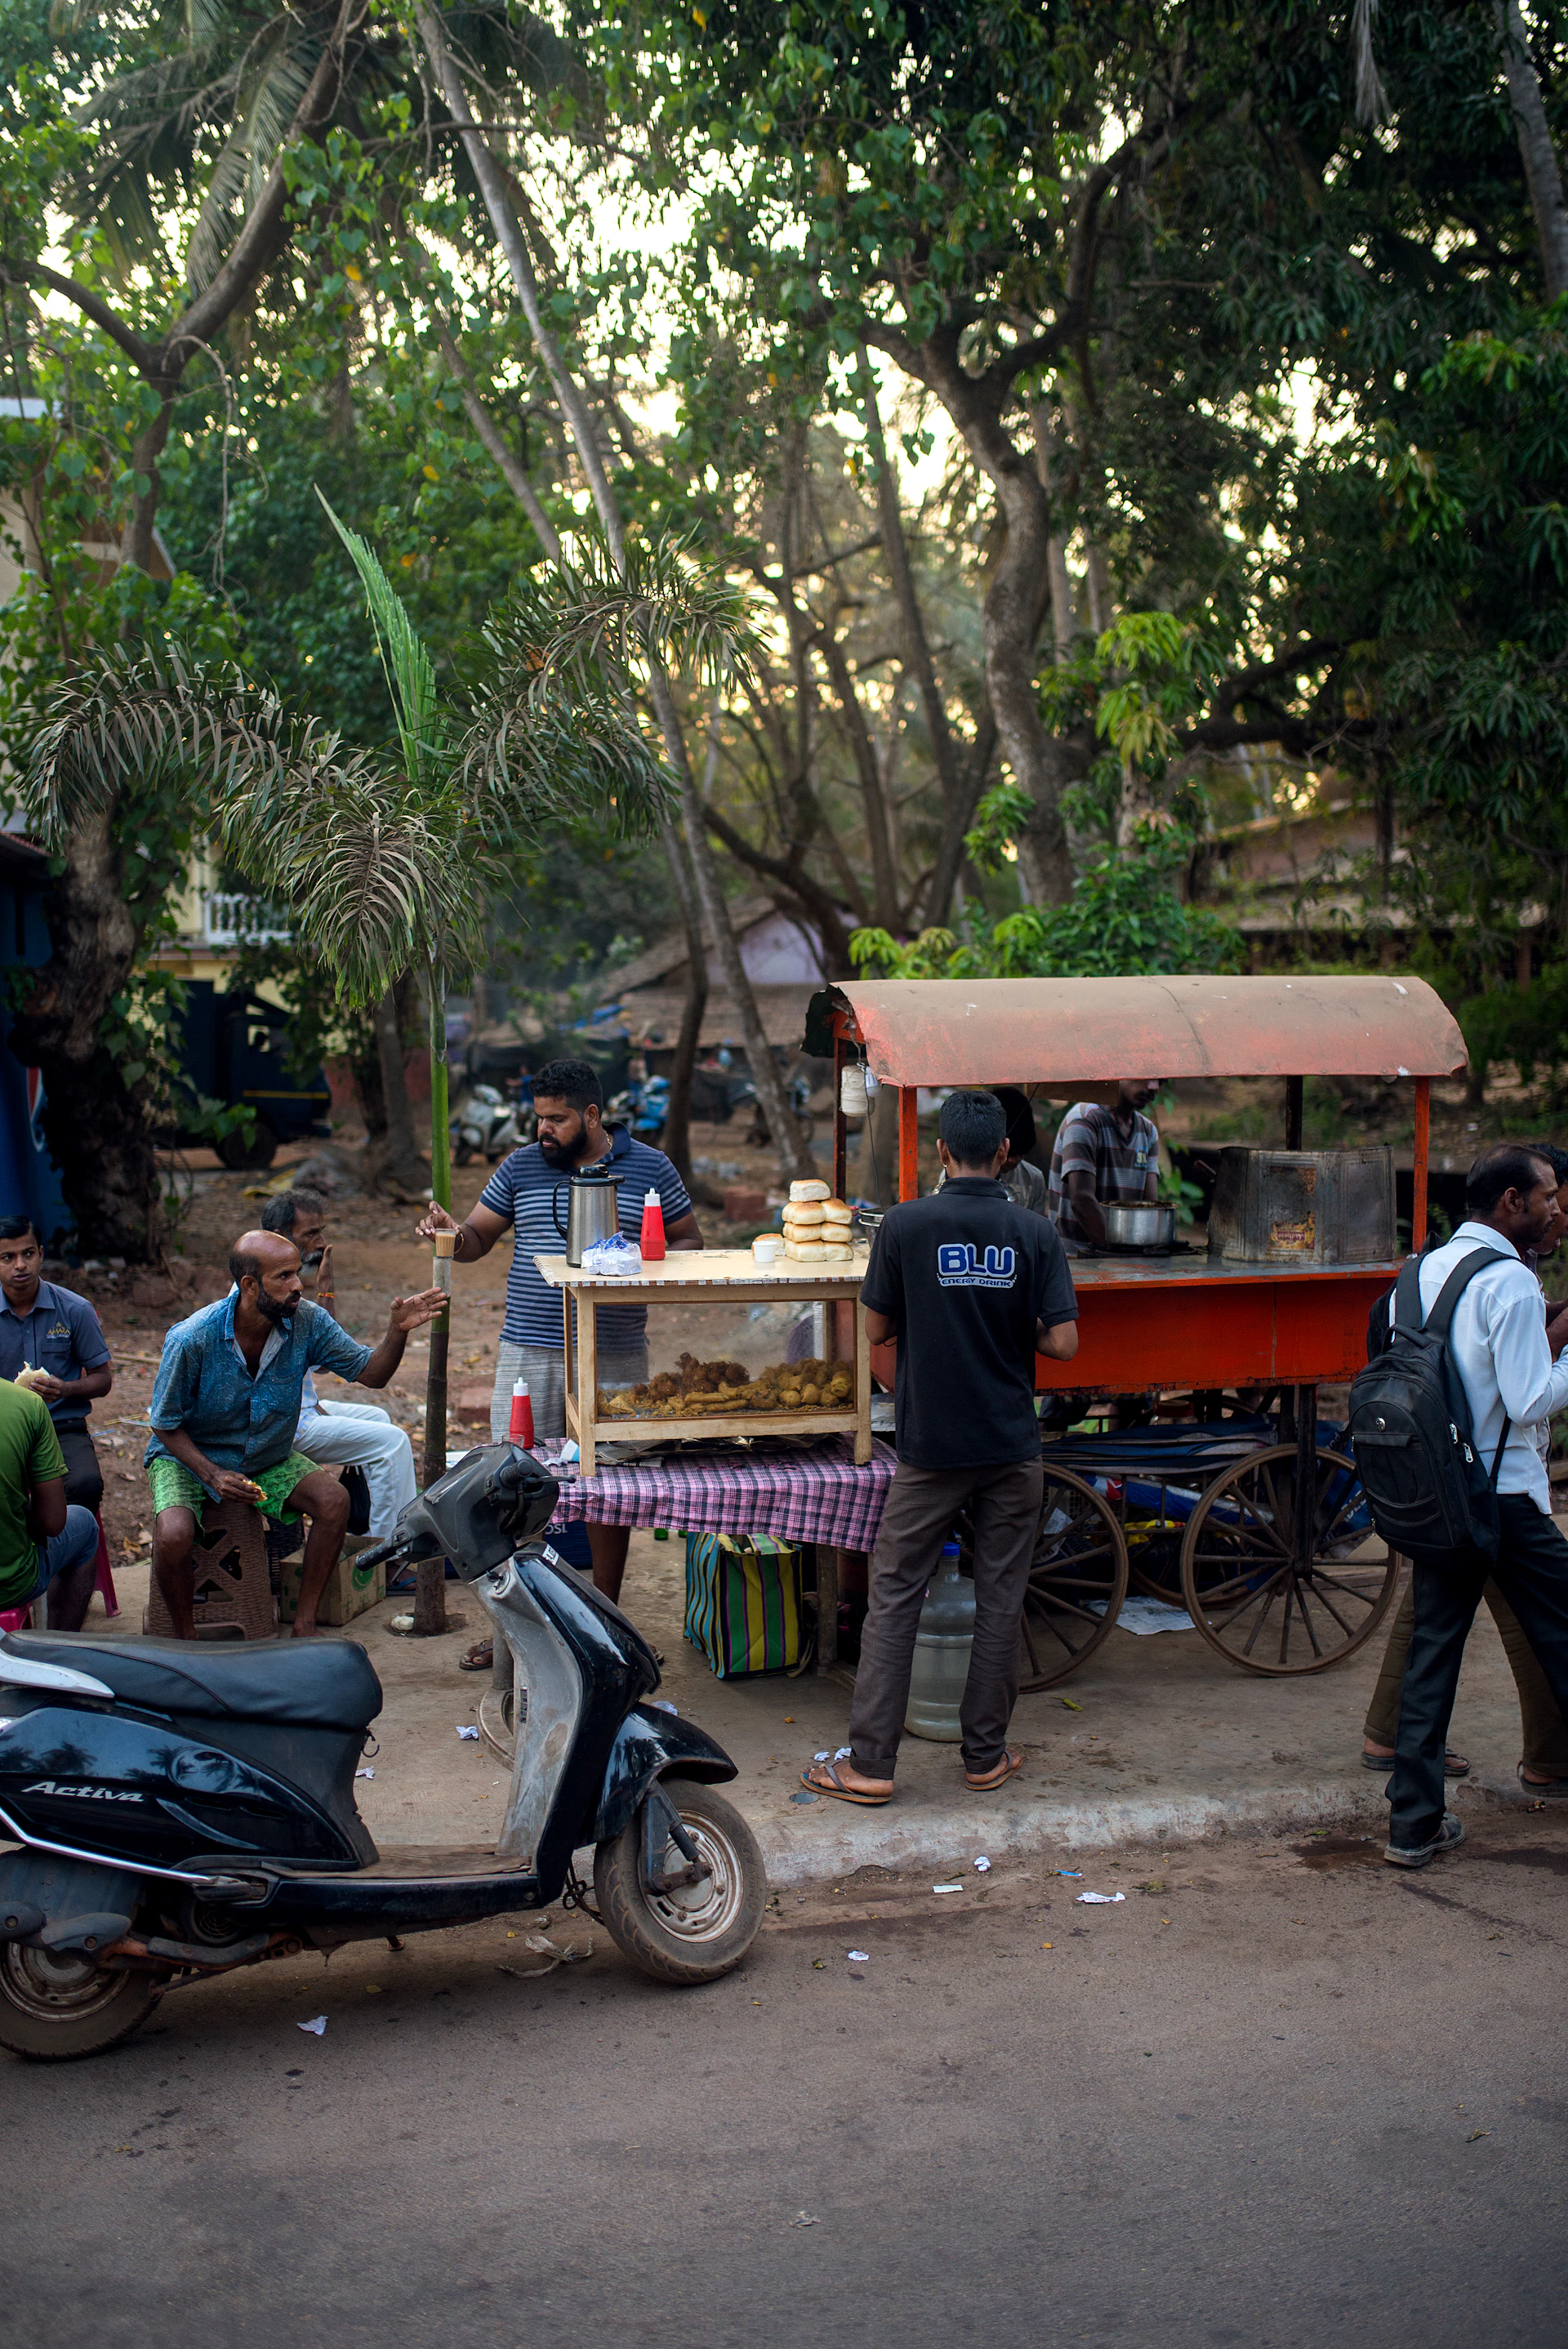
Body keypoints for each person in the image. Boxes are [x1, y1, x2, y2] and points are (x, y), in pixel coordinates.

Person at [802, 1089, 1080, 1806]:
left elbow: (871, 1332)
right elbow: (1065, 1343)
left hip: (930, 1449)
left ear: (942, 1153)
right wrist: (1010, 1315)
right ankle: (985, 1756)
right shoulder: (1034, 1233)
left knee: (894, 1596)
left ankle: (870, 1764)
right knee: (1001, 1597)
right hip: (1011, 1446)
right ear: (1007, 1155)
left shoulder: (906, 1225)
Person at [416, 1056, 702, 1616]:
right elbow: (477, 1238)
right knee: (511, 1486)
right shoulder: (522, 1167)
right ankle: (514, 1629)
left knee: (609, 1488)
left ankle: (605, 1615)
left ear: (592, 1115)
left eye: (557, 1119)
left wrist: (641, 1262)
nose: (543, 1130)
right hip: (528, 1349)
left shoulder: (650, 1168)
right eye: (539, 1118)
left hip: (616, 1352)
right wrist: (449, 1233)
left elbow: (689, 1240)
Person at [1361, 1140, 1568, 1794]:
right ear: (1514, 1202)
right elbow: (1529, 1397)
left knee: (1431, 1654)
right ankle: (1552, 1762)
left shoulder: (1416, 1271)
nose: (1555, 1212)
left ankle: (1415, 1821)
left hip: (1433, 1492)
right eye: (1549, 1200)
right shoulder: (1509, 1282)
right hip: (1498, 1495)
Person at [146, 1231, 444, 1638]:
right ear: (250, 1285)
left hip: (262, 1456)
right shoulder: (192, 1338)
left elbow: (373, 1375)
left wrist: (398, 1331)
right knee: (174, 1533)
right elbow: (164, 1424)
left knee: (333, 1502)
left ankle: (304, 1623)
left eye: (298, 1272)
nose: (299, 1285)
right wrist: (212, 1473)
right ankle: (184, 1637)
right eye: (284, 1276)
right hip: (188, 1456)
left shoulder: (306, 1321)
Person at [260, 1188, 418, 1540]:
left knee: (379, 1418)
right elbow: (361, 1372)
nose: (321, 1242)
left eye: (321, 1231)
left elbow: (321, 1363)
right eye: (311, 1234)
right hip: (279, 1424)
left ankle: (367, 1530)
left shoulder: (290, 1295)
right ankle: (388, 1552)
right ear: (280, 1238)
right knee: (392, 1442)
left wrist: (325, 1289)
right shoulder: (264, 1294)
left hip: (300, 1409)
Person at [0, 1215, 113, 1515]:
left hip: (62, 1428)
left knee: (86, 1484)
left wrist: (65, 1389)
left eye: (28, 1254)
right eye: (7, 1257)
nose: (20, 1265)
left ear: (41, 1254)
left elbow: (103, 1381)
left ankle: (76, 1550)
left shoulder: (76, 1309)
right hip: (4, 1430)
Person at [0, 1374, 100, 1631]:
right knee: (86, 1526)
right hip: (9, 1585)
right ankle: (58, 1647)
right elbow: (53, 1522)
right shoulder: (26, 1404)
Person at [1048, 1079, 1162, 1250]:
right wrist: (1119, 1256)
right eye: (1147, 1077)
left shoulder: (1148, 1131)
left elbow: (1150, 1207)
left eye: (1161, 1081)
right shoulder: (1084, 1121)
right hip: (1077, 1256)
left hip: (1125, 1255)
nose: (1155, 1087)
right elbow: (1082, 1201)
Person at [936, 1086, 1048, 1215]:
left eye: (1021, 1154)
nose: (1014, 1160)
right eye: (1012, 1153)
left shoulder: (1033, 1178)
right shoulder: (954, 1174)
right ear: (1002, 1148)